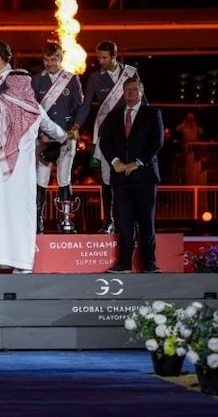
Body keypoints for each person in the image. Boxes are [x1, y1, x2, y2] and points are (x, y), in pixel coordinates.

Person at [0, 71, 68, 274]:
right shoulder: (35, 109)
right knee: (21, 215)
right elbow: (55, 131)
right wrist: (65, 136)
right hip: (22, 171)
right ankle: (21, 263)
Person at [74, 40, 145, 234]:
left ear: (114, 56)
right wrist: (77, 125)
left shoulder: (131, 73)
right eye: (98, 57)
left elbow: (142, 102)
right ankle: (109, 221)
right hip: (107, 136)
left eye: (104, 57)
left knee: (132, 178)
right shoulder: (95, 78)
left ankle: (133, 221)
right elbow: (87, 104)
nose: (100, 61)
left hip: (129, 134)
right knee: (107, 180)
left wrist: (147, 128)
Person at [99, 78, 164, 274]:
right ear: (123, 92)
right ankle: (124, 264)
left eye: (135, 89)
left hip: (144, 176)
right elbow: (105, 143)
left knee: (146, 223)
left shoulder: (152, 114)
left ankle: (149, 264)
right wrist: (116, 162)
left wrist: (137, 163)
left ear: (141, 92)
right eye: (127, 89)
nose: (131, 92)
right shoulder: (113, 116)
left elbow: (157, 142)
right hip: (120, 179)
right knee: (124, 223)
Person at [31, 41, 84, 233]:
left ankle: (65, 220)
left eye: (53, 59)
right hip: (43, 139)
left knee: (64, 178)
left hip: (66, 137)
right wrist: (41, 134)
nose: (49, 63)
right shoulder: (36, 81)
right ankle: (37, 220)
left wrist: (74, 129)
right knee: (41, 178)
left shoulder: (71, 79)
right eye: (46, 59)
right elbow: (32, 110)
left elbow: (79, 107)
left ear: (60, 59)